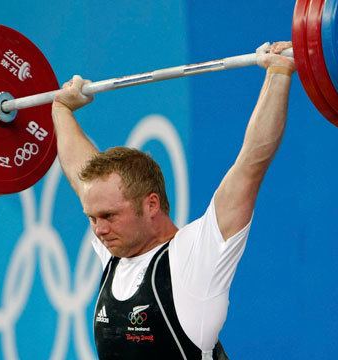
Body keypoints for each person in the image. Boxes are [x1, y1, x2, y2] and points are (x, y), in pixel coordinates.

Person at [51, 41, 296, 359]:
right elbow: (79, 173)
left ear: (150, 204)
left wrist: (279, 72)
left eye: (109, 216)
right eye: (92, 218)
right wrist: (61, 109)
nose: (98, 230)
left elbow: (251, 164)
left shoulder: (194, 257)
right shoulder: (115, 250)